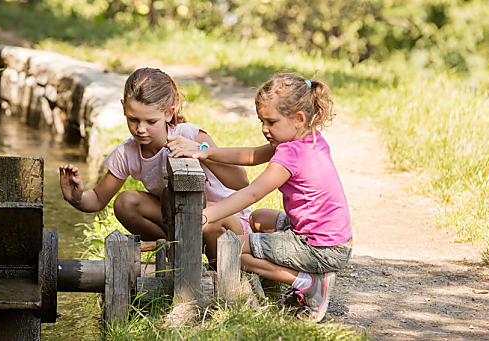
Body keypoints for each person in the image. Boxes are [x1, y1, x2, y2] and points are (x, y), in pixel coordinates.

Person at [169, 73, 352, 322]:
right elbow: (252, 155)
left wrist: (205, 216)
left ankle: (308, 283)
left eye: (271, 122)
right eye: (261, 121)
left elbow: (252, 192)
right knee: (258, 219)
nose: (264, 129)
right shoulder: (307, 138)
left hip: (320, 248)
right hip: (331, 239)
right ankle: (280, 281)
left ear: (298, 119)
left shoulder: (290, 155)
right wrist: (205, 152)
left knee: (231, 249)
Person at [59, 67, 251, 265]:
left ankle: (219, 268)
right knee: (125, 202)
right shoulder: (128, 153)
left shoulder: (191, 135)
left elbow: (241, 181)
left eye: (151, 121)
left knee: (201, 219)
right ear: (124, 108)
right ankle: (173, 252)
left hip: (226, 220)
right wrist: (76, 197)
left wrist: (201, 151)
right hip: (182, 218)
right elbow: (98, 199)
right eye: (133, 120)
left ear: (169, 113)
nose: (140, 129)